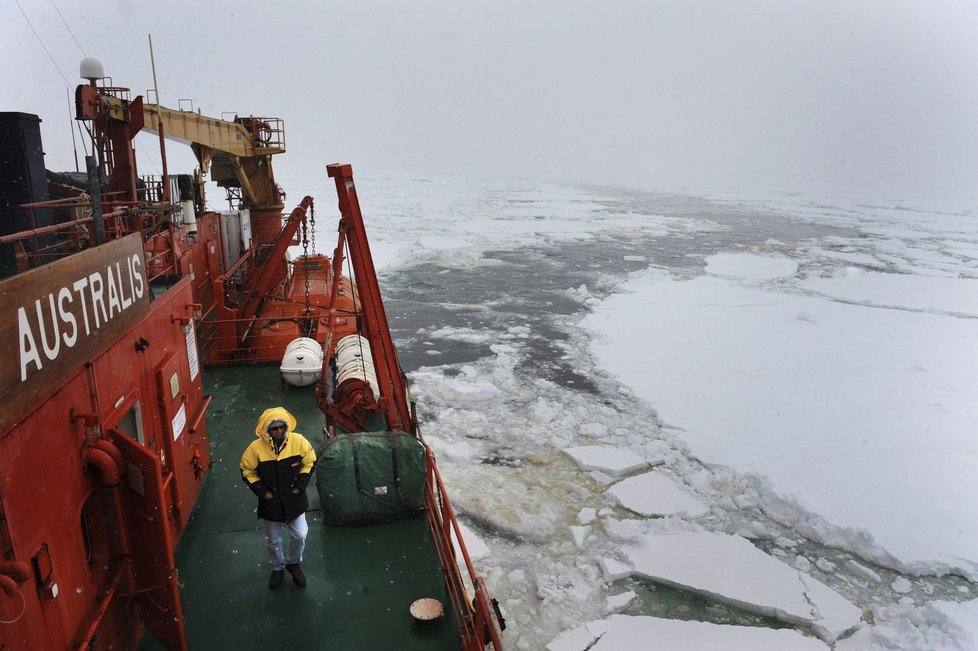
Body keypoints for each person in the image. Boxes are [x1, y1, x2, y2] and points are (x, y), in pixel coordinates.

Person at [240, 407, 317, 589]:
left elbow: (310, 461)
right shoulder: (255, 449)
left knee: (300, 535)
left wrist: (299, 486)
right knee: (273, 541)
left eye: (282, 427)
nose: (279, 431)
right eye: (274, 428)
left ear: (286, 426)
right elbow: (246, 470)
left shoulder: (298, 442)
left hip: (294, 499)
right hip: (271, 502)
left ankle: (293, 563)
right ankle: (277, 568)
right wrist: (262, 492)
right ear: (267, 430)